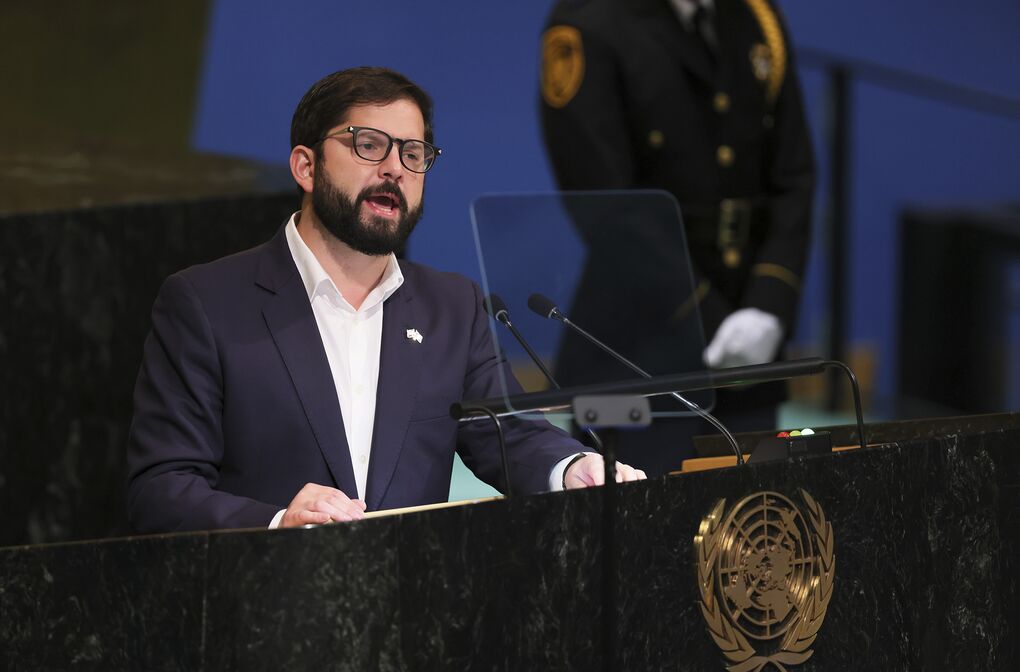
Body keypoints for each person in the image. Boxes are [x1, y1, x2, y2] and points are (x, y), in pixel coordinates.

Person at [126, 66, 644, 534]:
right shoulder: (207, 302)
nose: (395, 168)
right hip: (264, 610)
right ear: (306, 167)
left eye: (413, 153)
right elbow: (161, 488)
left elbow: (507, 433)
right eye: (369, 145)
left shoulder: (451, 306)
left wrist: (573, 467)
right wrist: (277, 522)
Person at [540, 0, 815, 474]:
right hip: (640, 354)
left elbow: (794, 177)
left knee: (749, 528)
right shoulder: (588, 22)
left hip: (752, 350)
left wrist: (769, 303)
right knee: (637, 534)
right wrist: (708, 315)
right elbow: (607, 206)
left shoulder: (755, 17)